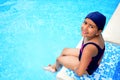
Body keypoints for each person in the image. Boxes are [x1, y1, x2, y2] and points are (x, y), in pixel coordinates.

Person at [44, 11, 106, 76]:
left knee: (59, 59)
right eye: (85, 23)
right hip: (89, 57)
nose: (85, 28)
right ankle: (54, 67)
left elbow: (80, 73)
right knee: (65, 50)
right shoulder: (93, 34)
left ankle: (54, 69)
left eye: (91, 26)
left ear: (98, 32)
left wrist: (73, 66)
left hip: (87, 69)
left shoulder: (90, 47)